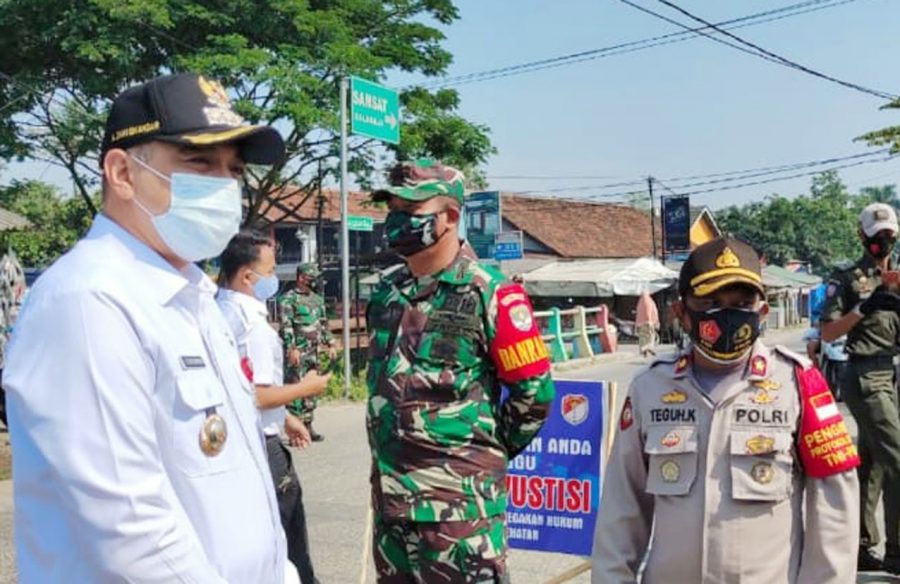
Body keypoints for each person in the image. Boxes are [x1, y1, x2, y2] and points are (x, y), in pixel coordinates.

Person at [2, 73, 294, 582]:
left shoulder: (193, 297)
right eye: (199, 162)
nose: (224, 186)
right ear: (122, 172)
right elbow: (130, 530)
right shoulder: (90, 301)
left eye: (234, 170)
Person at [592, 236, 859, 584]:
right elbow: (620, 511)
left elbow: (835, 512)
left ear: (762, 311)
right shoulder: (649, 389)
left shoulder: (799, 384)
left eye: (742, 302)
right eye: (711, 302)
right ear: (681, 312)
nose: (728, 314)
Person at [365, 159, 555, 582]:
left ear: (450, 216)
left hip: (460, 515)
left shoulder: (491, 293)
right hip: (392, 508)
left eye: (410, 212)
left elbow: (534, 396)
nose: (396, 221)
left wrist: (480, 457)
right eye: (392, 209)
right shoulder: (386, 293)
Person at [217, 231, 331, 584]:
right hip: (262, 448)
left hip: (235, 442)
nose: (274, 278)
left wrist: (287, 417)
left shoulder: (217, 312)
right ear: (247, 277)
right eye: (269, 270)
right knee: (289, 540)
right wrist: (305, 388)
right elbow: (253, 395)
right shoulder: (252, 327)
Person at [821, 202, 900, 573]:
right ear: (861, 236)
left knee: (873, 467)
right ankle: (897, 551)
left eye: (889, 237)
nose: (883, 245)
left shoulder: (897, 278)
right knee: (898, 460)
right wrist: (865, 308)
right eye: (876, 238)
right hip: (865, 374)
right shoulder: (850, 278)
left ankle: (862, 545)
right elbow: (828, 331)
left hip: (891, 373)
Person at [279, 263, 335, 441]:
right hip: (298, 351)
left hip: (314, 351)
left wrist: (331, 343)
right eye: (311, 277)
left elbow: (323, 324)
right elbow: (286, 326)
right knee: (296, 388)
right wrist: (291, 348)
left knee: (311, 388)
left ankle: (308, 426)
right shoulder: (288, 299)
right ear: (301, 277)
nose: (314, 281)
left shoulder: (317, 300)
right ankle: (296, 429)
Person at [635, 289, 659, 358]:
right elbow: (651, 311)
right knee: (650, 336)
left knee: (643, 338)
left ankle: (645, 352)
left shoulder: (640, 302)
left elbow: (638, 314)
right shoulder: (649, 301)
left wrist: (637, 325)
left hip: (640, 323)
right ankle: (648, 349)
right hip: (648, 322)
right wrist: (652, 321)